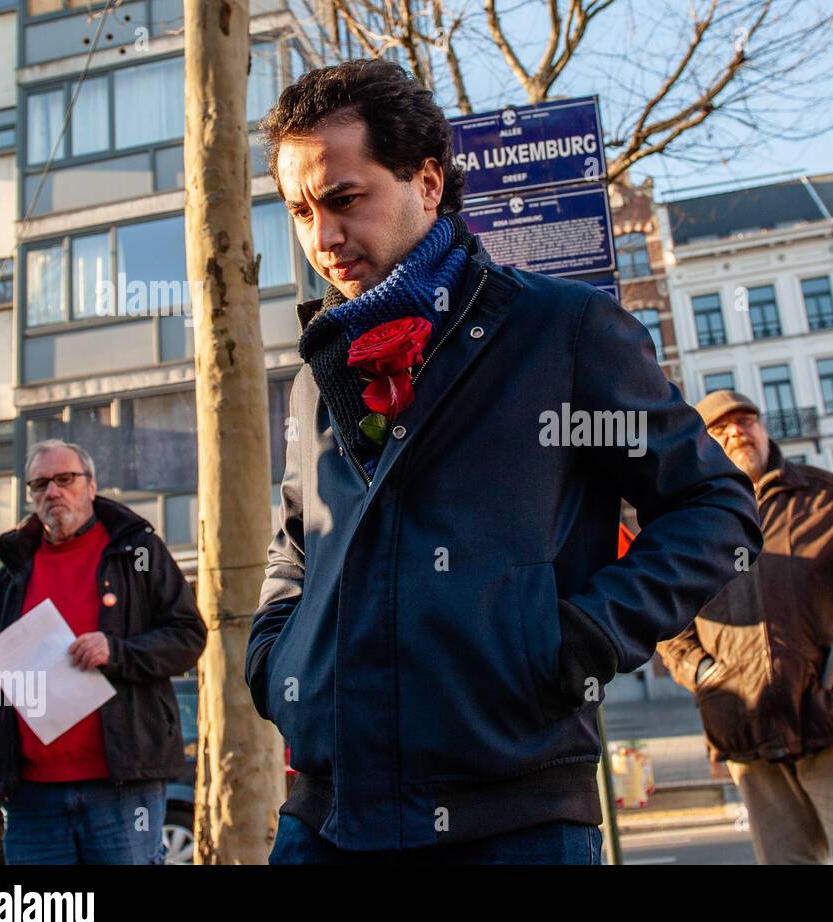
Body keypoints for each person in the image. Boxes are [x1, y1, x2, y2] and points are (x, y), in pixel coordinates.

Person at [247, 60, 762, 864]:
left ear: (426, 180)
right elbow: (296, 544)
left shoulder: (565, 331)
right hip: (322, 814)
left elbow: (716, 509)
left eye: (345, 198)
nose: (323, 238)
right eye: (300, 210)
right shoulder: (318, 374)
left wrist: (580, 638)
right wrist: (276, 653)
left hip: (512, 818)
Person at [659, 391, 833, 865]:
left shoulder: (826, 494)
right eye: (721, 430)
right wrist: (705, 674)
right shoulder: (686, 523)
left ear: (763, 429)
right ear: (701, 445)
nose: (737, 432)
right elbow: (667, 619)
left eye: (745, 421)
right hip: (747, 725)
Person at [0, 440, 207, 864]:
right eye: (40, 484)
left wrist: (117, 651)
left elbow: (188, 636)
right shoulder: (13, 570)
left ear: (91, 485)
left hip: (123, 787)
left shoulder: (136, 549)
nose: (52, 492)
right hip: (31, 796)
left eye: (65, 479)